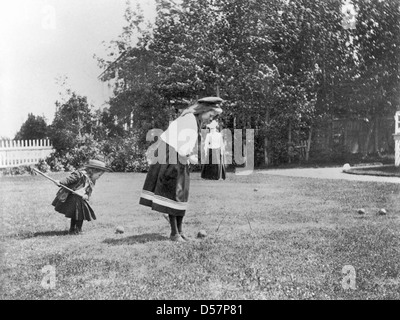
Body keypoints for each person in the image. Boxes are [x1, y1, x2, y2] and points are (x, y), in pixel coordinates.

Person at [139, 96, 224, 242]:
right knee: (174, 192)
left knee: (182, 192)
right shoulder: (189, 120)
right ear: (204, 110)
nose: (211, 120)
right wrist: (189, 156)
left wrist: (188, 155)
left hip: (177, 156)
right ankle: (174, 233)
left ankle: (180, 231)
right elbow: (179, 144)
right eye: (211, 115)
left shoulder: (194, 120)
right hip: (170, 157)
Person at [52, 159, 112, 234]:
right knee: (78, 215)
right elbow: (69, 179)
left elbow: (89, 190)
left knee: (77, 214)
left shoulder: (92, 180)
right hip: (74, 197)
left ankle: (74, 230)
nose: (99, 177)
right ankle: (76, 230)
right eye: (99, 175)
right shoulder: (79, 175)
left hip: (80, 198)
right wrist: (60, 182)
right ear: (93, 171)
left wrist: (87, 195)